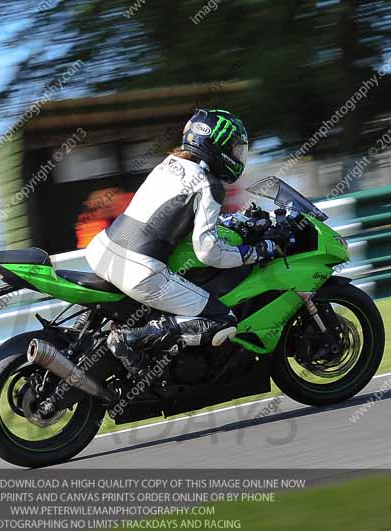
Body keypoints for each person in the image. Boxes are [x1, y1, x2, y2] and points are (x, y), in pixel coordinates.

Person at [85, 109, 277, 374]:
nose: (236, 156)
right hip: (139, 269)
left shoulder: (169, 165)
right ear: (216, 145)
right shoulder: (209, 184)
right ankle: (128, 339)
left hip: (104, 250)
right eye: (233, 148)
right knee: (222, 318)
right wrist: (254, 252)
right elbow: (208, 251)